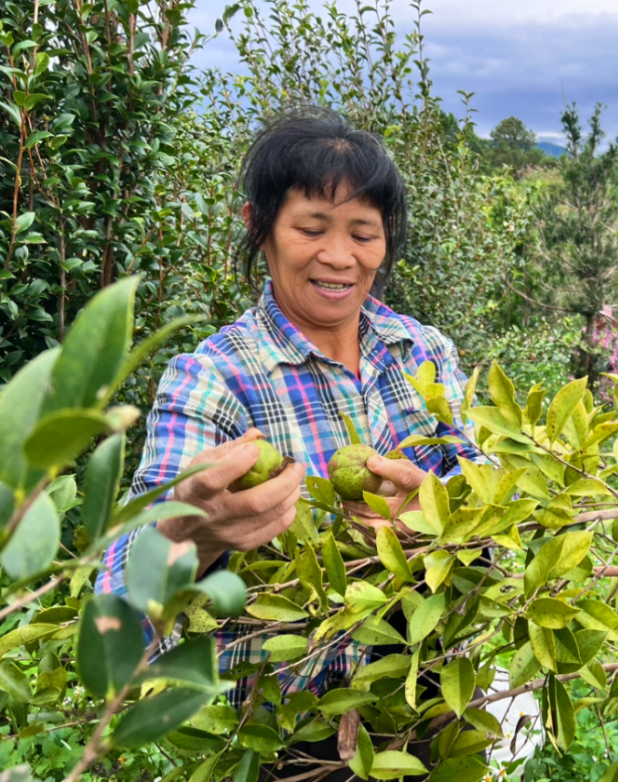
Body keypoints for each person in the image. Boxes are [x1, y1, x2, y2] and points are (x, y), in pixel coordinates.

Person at [95, 106, 483, 778]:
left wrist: (444, 517)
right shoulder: (211, 382)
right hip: (283, 744)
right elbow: (115, 632)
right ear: (259, 228)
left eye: (363, 233)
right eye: (311, 228)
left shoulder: (423, 353)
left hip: (433, 716)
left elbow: (505, 507)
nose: (340, 256)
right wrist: (194, 527)